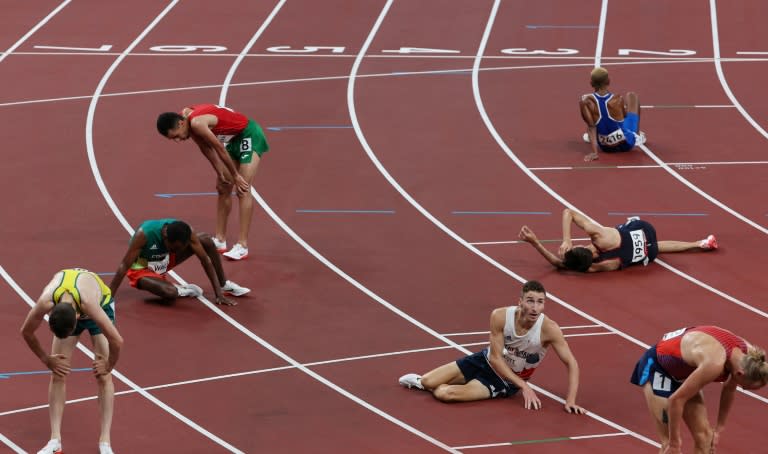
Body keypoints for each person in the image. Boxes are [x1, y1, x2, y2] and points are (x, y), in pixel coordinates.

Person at [398, 280, 586, 413]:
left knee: (445, 393)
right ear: (520, 302)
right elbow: (495, 358)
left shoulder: (550, 329)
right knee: (427, 381)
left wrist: (570, 400)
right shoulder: (500, 316)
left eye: (540, 302)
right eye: (530, 301)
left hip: (505, 381)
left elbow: (572, 363)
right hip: (485, 360)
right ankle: (430, 385)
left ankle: (461, 387)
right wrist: (526, 387)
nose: (535, 308)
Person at [20, 268, 124, 454]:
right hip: (68, 308)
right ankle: (55, 440)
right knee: (58, 372)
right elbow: (26, 331)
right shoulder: (46, 301)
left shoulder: (90, 305)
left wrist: (108, 366)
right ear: (50, 314)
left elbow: (117, 341)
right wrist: (47, 359)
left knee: (103, 376)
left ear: (77, 319)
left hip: (100, 304)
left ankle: (105, 442)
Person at [156, 104, 270, 260]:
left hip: (248, 134)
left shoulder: (197, 123)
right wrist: (219, 171)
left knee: (242, 188)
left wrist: (235, 176)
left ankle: (242, 246)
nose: (178, 140)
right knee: (222, 187)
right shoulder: (187, 119)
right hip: (233, 138)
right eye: (173, 139)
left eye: (176, 136)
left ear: (181, 123)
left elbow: (218, 148)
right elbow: (206, 149)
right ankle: (220, 240)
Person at [630, 326, 768, 454]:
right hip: (659, 369)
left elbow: (729, 389)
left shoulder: (749, 358)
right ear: (740, 374)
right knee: (669, 447)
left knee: (706, 439)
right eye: (745, 386)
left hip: (685, 373)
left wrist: (718, 429)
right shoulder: (714, 363)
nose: (742, 388)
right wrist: (674, 442)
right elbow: (676, 400)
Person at [518, 208, 718, 273]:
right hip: (643, 229)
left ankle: (698, 243)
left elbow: (558, 264)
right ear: (580, 246)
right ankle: (698, 244)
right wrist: (566, 239)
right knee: (627, 227)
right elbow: (567, 212)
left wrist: (535, 243)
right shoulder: (599, 237)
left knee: (658, 247)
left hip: (648, 254)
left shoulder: (595, 268)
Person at [109, 218, 250, 306]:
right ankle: (179, 290)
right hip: (142, 269)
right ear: (165, 237)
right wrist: (109, 298)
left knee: (205, 240)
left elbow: (205, 260)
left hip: (163, 261)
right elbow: (124, 266)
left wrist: (218, 294)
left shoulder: (187, 232)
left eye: (180, 248)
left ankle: (224, 284)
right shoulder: (144, 234)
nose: (177, 251)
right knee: (170, 294)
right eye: (174, 248)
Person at [579, 66, 645, 162]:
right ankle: (638, 136)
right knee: (632, 96)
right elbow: (624, 116)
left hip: (606, 148)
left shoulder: (585, 101)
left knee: (593, 119)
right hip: (626, 144)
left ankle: (591, 137)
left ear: (591, 83)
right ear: (608, 81)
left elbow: (591, 127)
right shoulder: (618, 99)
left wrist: (595, 153)